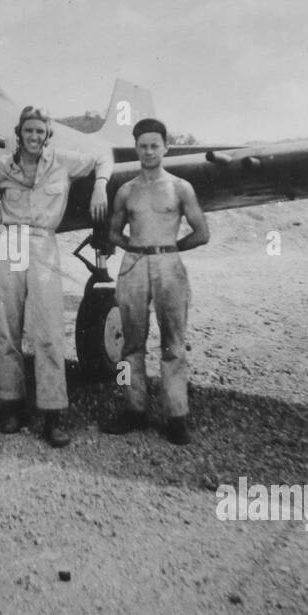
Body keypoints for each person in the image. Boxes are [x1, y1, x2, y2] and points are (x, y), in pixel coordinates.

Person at [0, 105, 112, 447]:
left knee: (49, 329)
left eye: (40, 131)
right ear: (19, 133)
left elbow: (104, 154)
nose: (34, 137)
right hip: (9, 244)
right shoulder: (1, 167)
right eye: (29, 131)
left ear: (47, 135)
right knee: (8, 330)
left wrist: (100, 185)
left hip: (43, 243)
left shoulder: (63, 162)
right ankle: (11, 406)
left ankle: (53, 415)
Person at [103, 117, 210, 445]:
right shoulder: (126, 190)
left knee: (173, 343)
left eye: (154, 145)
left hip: (168, 266)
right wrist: (134, 249)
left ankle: (176, 415)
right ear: (135, 148)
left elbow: (202, 232)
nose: (148, 152)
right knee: (131, 342)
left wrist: (171, 249)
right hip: (134, 265)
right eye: (142, 146)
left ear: (166, 147)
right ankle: (133, 410)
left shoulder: (180, 188)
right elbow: (112, 231)